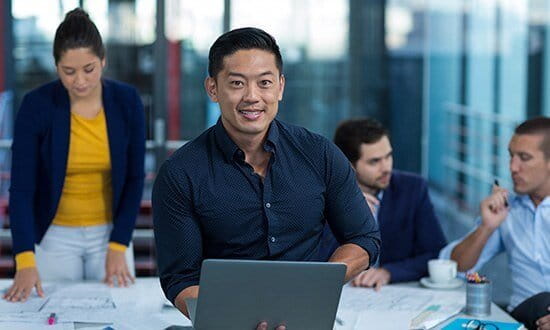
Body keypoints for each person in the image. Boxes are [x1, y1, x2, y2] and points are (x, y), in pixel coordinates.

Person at [152, 27, 380, 326]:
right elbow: (181, 278)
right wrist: (231, 319)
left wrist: (317, 287)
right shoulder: (180, 173)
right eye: (236, 83)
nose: (252, 97)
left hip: (307, 318)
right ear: (212, 88)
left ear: (280, 87)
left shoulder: (320, 154)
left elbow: (364, 239)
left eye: (264, 83)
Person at [4, 8, 145, 302]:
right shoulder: (36, 105)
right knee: (51, 314)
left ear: (103, 61)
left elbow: (134, 178)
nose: (79, 80)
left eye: (89, 69)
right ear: (56, 66)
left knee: (119, 314)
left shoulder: (127, 101)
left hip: (110, 235)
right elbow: (21, 190)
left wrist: (119, 243)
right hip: (53, 236)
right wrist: (25, 260)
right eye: (69, 72)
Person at [439, 117, 550, 330]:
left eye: (524, 158)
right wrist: (486, 227)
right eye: (511, 156)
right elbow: (455, 268)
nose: (513, 167)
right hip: (522, 317)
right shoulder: (508, 209)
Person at [321, 118, 447, 290]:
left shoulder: (413, 189)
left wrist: (388, 272)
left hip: (392, 294)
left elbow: (437, 255)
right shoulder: (321, 196)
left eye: (388, 156)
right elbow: (312, 261)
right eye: (374, 161)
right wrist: (345, 209)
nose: (386, 167)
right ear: (348, 165)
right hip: (338, 293)